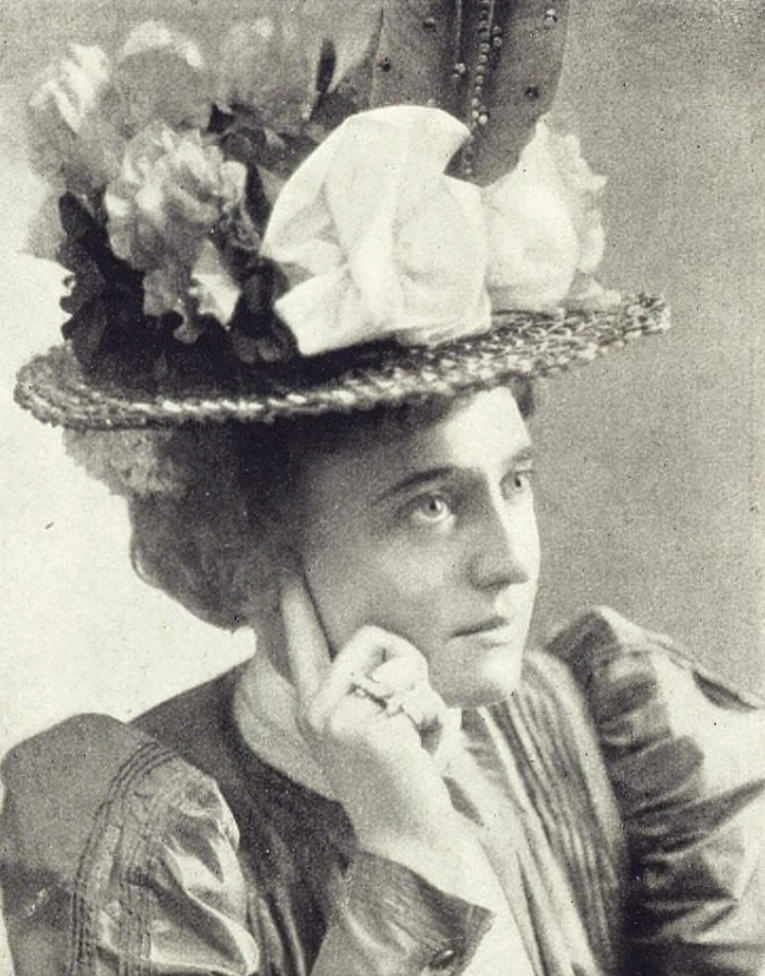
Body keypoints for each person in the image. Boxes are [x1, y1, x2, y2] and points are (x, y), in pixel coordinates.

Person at [2, 6, 764, 975]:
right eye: (431, 506)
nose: (511, 557)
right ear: (256, 537)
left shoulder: (612, 738)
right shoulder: (147, 835)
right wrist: (406, 846)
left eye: (515, 480)